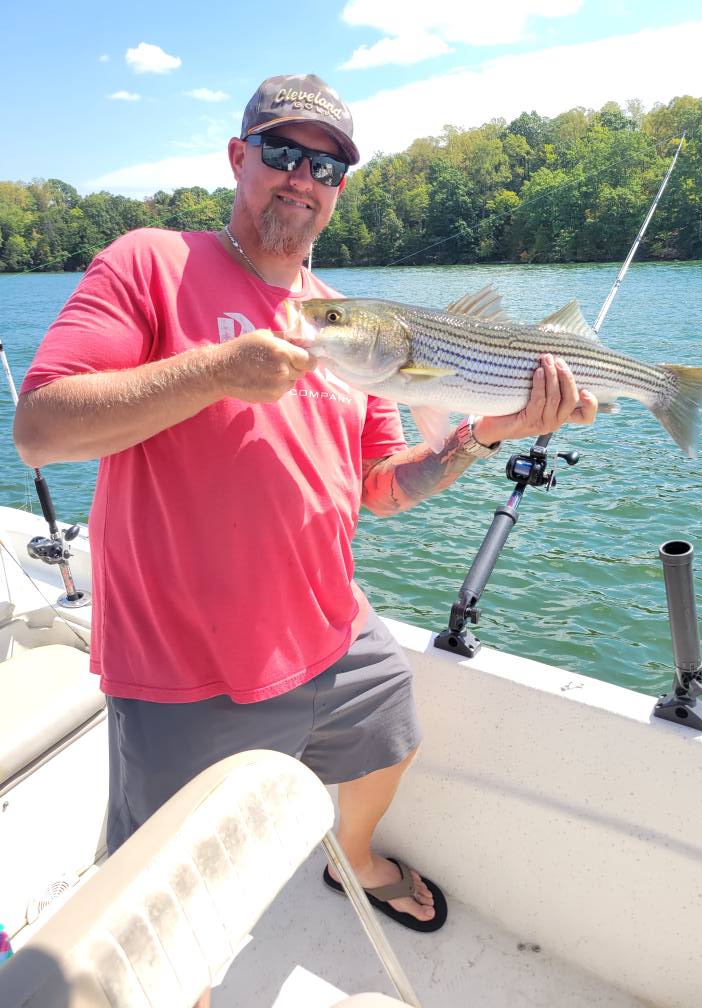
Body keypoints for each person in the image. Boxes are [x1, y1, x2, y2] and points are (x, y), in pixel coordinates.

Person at [14, 71, 597, 985]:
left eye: (326, 165)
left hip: (332, 634)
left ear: (339, 189)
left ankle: (351, 858)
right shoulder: (151, 260)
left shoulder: (351, 325)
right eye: (283, 152)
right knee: (171, 914)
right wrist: (213, 371)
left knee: (392, 725)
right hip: (184, 666)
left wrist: (485, 435)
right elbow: (41, 428)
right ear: (239, 158)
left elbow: (380, 487)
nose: (302, 176)